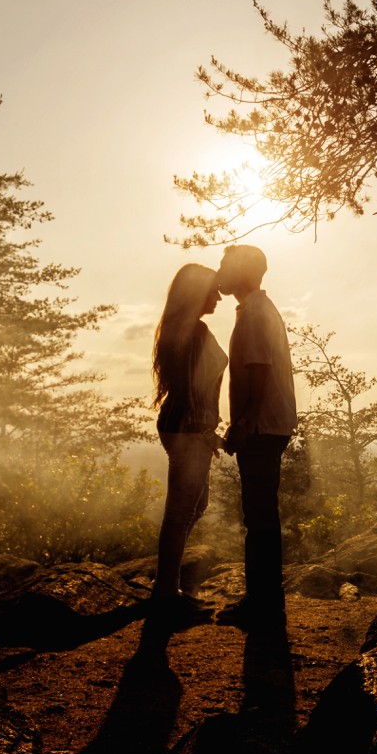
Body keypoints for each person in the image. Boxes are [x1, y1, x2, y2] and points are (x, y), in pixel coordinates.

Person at [214, 244, 297, 627]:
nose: (220, 271)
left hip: (262, 426)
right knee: (262, 514)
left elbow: (259, 368)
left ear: (245, 272)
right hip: (268, 424)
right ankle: (266, 601)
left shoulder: (255, 313)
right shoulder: (256, 309)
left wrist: (243, 421)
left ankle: (262, 605)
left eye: (226, 265)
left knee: (259, 516)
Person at [149, 262, 227, 623]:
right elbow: (195, 388)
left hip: (182, 426)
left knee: (194, 507)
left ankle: (167, 586)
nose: (219, 296)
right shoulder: (193, 332)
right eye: (212, 290)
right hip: (187, 428)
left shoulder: (183, 330)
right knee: (181, 512)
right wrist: (206, 430)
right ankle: (166, 595)